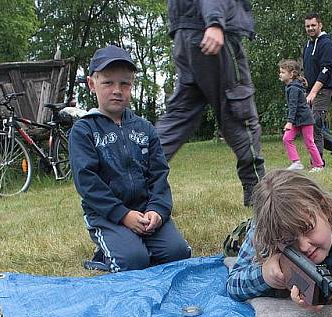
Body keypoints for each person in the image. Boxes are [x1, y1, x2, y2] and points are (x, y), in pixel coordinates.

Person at [70, 45, 191, 272]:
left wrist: (157, 210)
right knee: (133, 261)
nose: (117, 90)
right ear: (91, 84)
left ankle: (137, 242)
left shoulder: (145, 128)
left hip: (146, 211)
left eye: (124, 83)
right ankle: (107, 252)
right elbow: (87, 183)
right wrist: (123, 215)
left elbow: (159, 174)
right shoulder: (83, 130)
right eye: (108, 83)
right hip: (108, 216)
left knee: (178, 254)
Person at [156, 0, 266, 206]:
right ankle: (259, 193)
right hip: (211, 30)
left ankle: (134, 178)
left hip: (185, 34)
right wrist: (215, 21)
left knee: (178, 117)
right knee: (240, 113)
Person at [226, 170, 332, 308]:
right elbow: (233, 284)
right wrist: (264, 274)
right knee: (231, 245)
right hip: (248, 230)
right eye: (288, 240)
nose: (304, 246)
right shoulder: (264, 232)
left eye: (308, 229)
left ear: (324, 208)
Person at [302, 13, 332, 166]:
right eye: (307, 26)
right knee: (310, 124)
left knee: (314, 123)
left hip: (322, 91)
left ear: (320, 25)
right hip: (309, 91)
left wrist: (314, 92)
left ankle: (317, 162)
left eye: (313, 25)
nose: (310, 28)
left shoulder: (326, 44)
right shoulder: (308, 45)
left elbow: (326, 70)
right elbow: (308, 68)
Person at [278, 59, 324, 173]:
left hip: (305, 119)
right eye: (280, 72)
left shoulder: (293, 88)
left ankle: (319, 165)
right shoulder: (290, 86)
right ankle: (296, 163)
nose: (280, 74)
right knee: (287, 138)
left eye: (283, 72)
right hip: (297, 120)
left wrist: (289, 122)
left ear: (292, 74)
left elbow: (293, 107)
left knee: (309, 142)